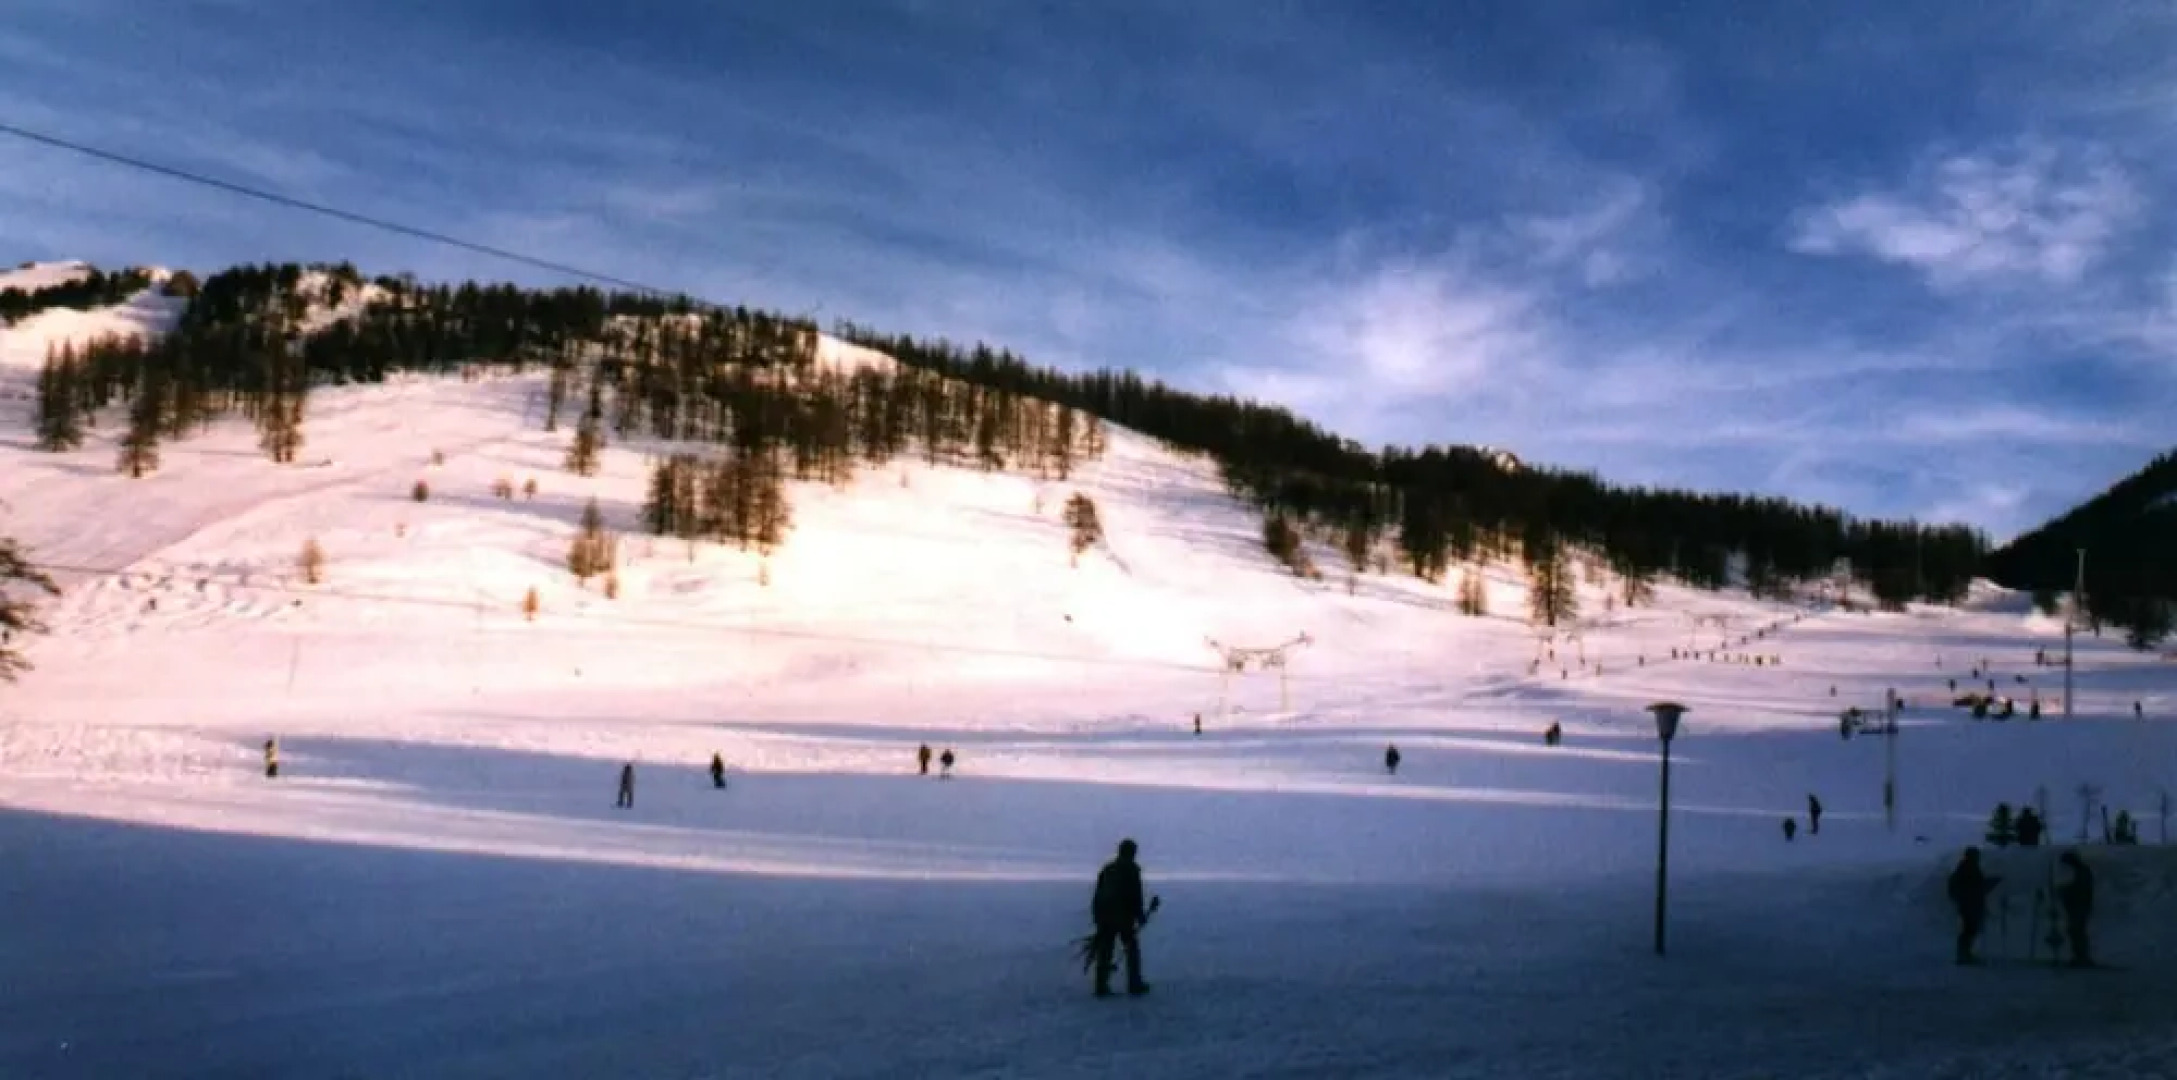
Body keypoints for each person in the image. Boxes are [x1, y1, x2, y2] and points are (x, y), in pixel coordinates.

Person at [1089, 839, 1150, 997]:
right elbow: (1135, 895)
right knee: (1131, 950)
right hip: (1123, 917)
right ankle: (1134, 983)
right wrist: (1140, 915)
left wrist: (1097, 916)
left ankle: (1101, 985)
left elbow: (1098, 895)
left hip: (1105, 916)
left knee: (1105, 950)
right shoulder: (1131, 869)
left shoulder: (1107, 869)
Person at [1946, 847, 2001, 965]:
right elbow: (1977, 886)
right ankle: (1964, 955)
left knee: (1969, 929)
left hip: (1968, 903)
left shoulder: (1965, 868)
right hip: (1970, 904)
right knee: (1969, 929)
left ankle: (1965, 954)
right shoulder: (1968, 869)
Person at [2057, 852, 2095, 967]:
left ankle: (2082, 957)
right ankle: (2078, 956)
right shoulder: (2080, 872)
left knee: (2077, 931)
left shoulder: (2083, 872)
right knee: (2075, 931)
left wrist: (2065, 891)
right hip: (2077, 906)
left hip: (2080, 906)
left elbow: (2080, 889)